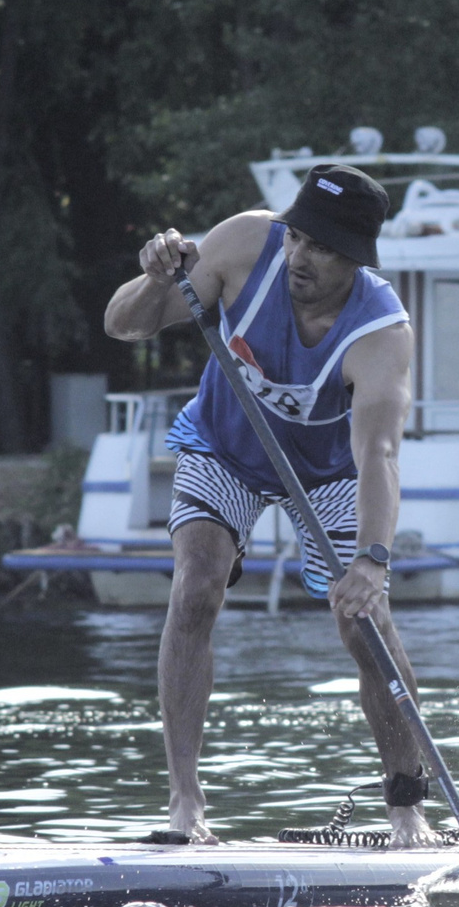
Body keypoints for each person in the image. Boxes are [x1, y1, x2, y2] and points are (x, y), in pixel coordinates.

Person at [102, 163, 435, 846]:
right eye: (299, 238)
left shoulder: (381, 333)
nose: (303, 258)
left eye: (325, 249)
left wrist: (370, 564)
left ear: (356, 259)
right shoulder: (243, 247)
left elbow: (379, 456)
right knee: (197, 584)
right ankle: (186, 804)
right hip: (227, 445)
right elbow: (122, 325)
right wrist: (156, 278)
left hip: (330, 471)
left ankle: (407, 807)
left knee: (362, 625)